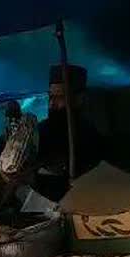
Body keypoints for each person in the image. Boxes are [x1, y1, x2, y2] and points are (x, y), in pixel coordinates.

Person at [34, 65, 105, 201]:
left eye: (59, 98)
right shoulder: (40, 131)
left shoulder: (90, 136)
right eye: (50, 97)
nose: (51, 105)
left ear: (79, 99)